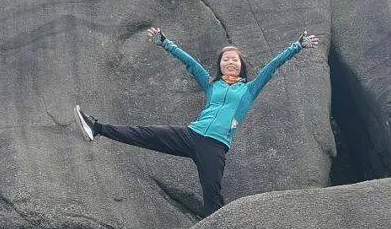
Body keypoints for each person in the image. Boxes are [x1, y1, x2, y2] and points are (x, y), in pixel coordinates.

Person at [74, 27, 319, 217]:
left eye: (234, 59)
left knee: (212, 197)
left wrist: (296, 46)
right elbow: (190, 63)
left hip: (214, 146)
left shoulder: (249, 90)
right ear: (220, 65)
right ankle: (97, 128)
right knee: (146, 133)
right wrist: (165, 43)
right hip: (191, 135)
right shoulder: (211, 84)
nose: (230, 62)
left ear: (242, 66)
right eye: (225, 59)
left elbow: (272, 66)